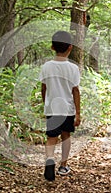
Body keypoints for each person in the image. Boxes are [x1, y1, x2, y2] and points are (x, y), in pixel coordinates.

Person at [39, 31, 81, 181]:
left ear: (52, 47)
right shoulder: (73, 69)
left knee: (51, 137)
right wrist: (78, 113)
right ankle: (63, 165)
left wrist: (46, 104)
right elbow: (75, 91)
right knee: (65, 136)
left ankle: (50, 159)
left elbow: (44, 88)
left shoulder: (46, 66)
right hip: (67, 109)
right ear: (70, 47)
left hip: (52, 108)